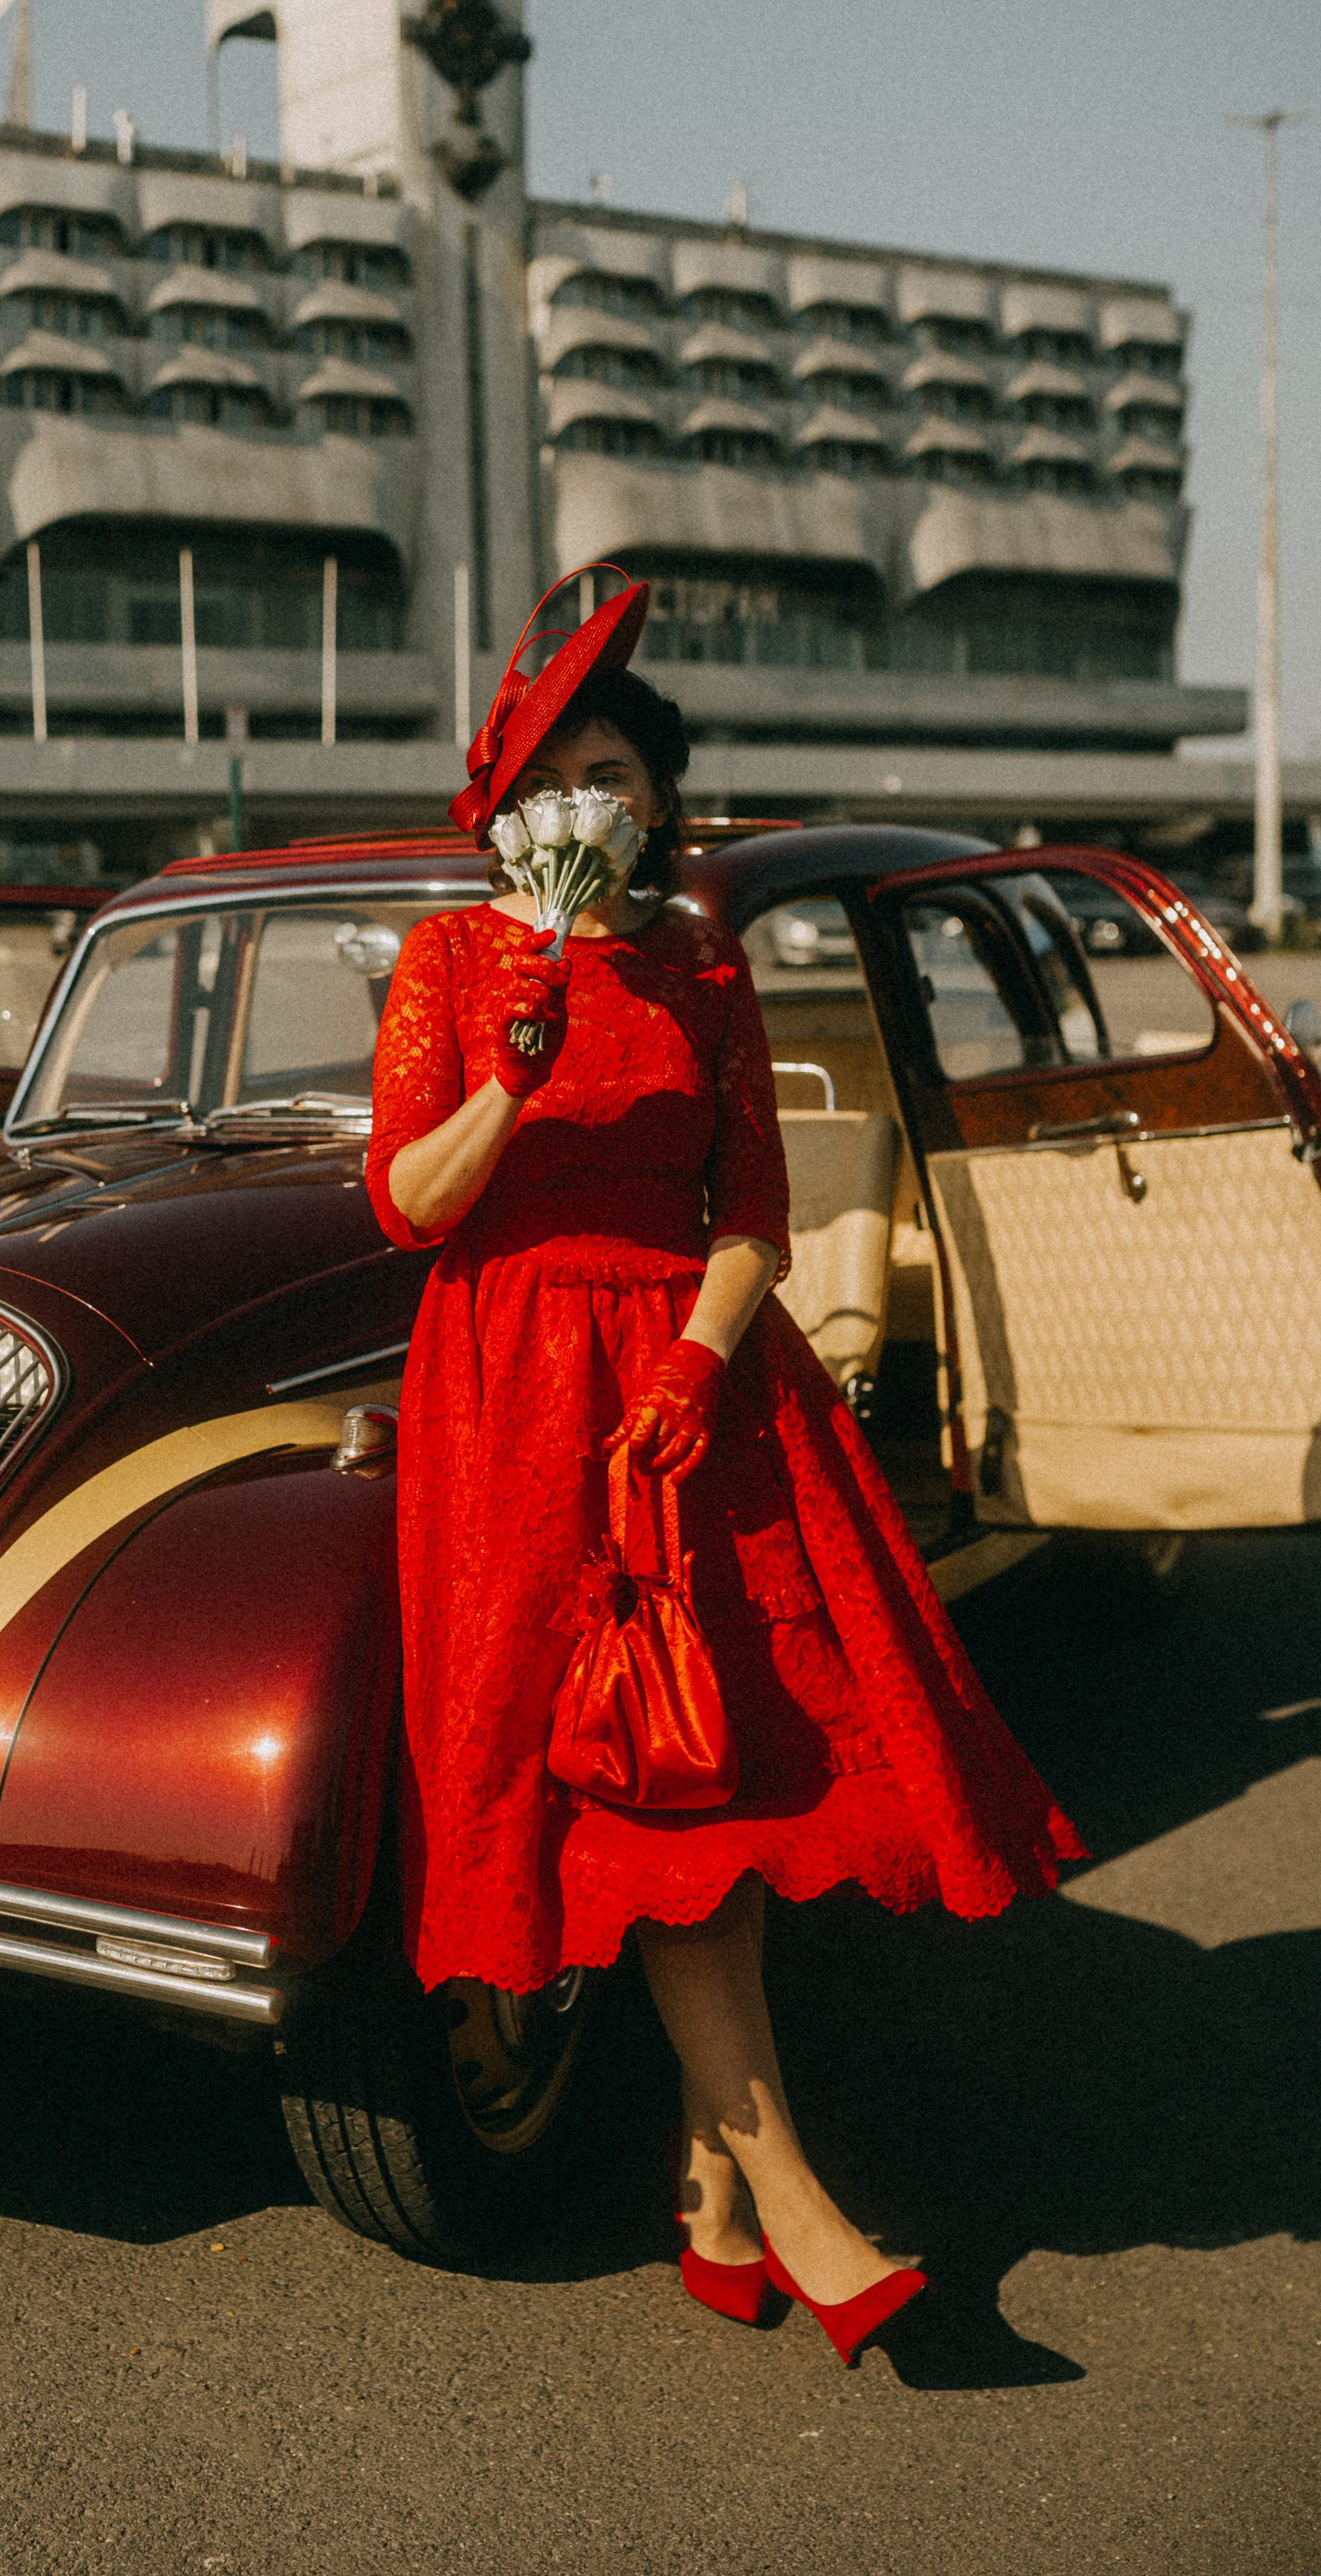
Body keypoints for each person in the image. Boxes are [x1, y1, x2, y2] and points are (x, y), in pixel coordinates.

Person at [364, 567, 1082, 2365]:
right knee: (631, 1783)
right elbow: (410, 1207)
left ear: (659, 800)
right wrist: (511, 1076)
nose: (585, 808)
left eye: (614, 777)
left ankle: (717, 2199)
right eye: (557, 783)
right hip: (517, 1402)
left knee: (725, 1778)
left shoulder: (698, 964)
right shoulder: (452, 962)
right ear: (508, 815)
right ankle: (795, 2205)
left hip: (696, 1388)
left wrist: (695, 1361)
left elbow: (749, 1209)